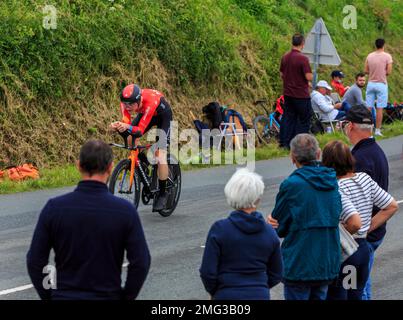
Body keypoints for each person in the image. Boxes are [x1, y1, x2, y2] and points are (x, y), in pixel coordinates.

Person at [27, 140, 151, 300]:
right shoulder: (125, 211)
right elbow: (141, 262)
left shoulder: (54, 208)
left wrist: (50, 296)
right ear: (110, 167)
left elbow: (35, 261)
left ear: (78, 165)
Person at [267, 134, 341, 300]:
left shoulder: (292, 185)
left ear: (293, 157)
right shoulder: (331, 180)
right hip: (326, 259)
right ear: (318, 154)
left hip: (300, 262)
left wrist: (271, 221)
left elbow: (279, 226)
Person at [322, 140, 398, 300]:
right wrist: (368, 227)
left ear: (328, 163)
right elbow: (391, 206)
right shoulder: (364, 178)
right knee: (355, 295)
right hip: (362, 249)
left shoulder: (336, 188)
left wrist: (348, 230)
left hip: (345, 252)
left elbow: (354, 223)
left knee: (338, 295)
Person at [199, 168, 283, 300]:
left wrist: (216, 291)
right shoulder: (269, 233)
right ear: (258, 198)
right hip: (259, 293)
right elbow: (277, 272)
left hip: (226, 293)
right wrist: (260, 286)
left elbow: (207, 271)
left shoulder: (220, 229)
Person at [342, 104, 390, 300]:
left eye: (344, 124)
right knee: (360, 284)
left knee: (356, 289)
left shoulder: (358, 159)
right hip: (374, 231)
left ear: (351, 126)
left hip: (362, 237)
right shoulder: (377, 151)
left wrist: (366, 228)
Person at [110, 84, 173, 211]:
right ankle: (142, 163)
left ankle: (162, 193)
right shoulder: (126, 104)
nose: (127, 107)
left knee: (160, 155)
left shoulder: (150, 102)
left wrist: (127, 127)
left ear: (139, 101)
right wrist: (117, 126)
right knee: (129, 138)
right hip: (146, 114)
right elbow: (126, 123)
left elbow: (139, 130)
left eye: (131, 104)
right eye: (125, 104)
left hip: (162, 116)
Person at [279, 33, 313, 149]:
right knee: (304, 120)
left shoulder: (285, 57)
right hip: (301, 95)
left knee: (288, 118)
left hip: (288, 94)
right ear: (302, 44)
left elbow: (282, 74)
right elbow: (308, 77)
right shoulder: (303, 59)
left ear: (292, 42)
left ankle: (285, 143)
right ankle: (300, 145)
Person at [365, 38, 393, 136]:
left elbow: (366, 71)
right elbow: (389, 72)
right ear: (383, 45)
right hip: (381, 84)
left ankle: (367, 130)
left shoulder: (369, 56)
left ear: (375, 45)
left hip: (371, 83)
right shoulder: (387, 56)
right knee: (379, 108)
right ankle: (377, 130)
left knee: (368, 107)